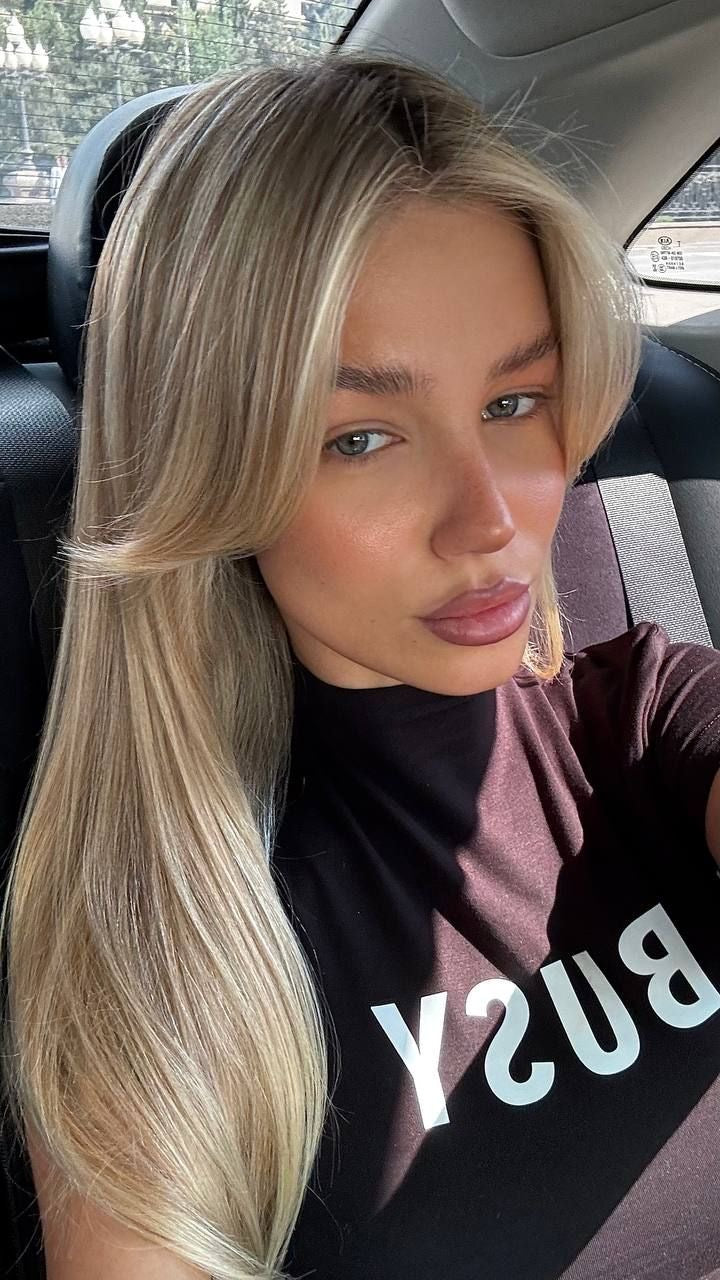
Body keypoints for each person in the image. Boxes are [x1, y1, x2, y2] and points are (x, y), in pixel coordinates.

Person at [2, 47, 720, 1280]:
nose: (489, 520)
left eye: (514, 402)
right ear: (212, 467)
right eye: (361, 437)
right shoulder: (173, 940)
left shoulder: (651, 709)